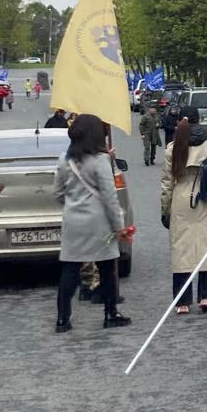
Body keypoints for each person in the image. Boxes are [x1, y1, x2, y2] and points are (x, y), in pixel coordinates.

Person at [53, 114, 131, 332]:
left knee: (70, 269)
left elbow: (57, 192)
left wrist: (72, 205)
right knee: (107, 268)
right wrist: (119, 226)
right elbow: (109, 197)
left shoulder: (64, 159)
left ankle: (63, 318)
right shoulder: (100, 160)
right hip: (99, 223)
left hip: (73, 222)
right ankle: (110, 312)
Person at [161, 107, 207, 315]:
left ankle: (182, 301)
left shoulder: (174, 147)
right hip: (206, 196)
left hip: (181, 196)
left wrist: (165, 209)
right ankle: (206, 297)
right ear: (201, 120)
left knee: (182, 249)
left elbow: (167, 182)